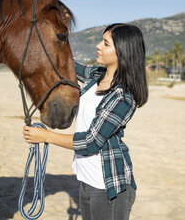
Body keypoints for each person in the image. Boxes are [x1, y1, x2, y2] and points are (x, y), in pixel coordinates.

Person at [23, 23, 148, 220]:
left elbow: (90, 142)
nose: (98, 46)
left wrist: (45, 136)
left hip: (107, 186)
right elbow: (66, 63)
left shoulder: (123, 97)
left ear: (122, 52)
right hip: (86, 180)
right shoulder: (96, 75)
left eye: (105, 44)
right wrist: (41, 42)